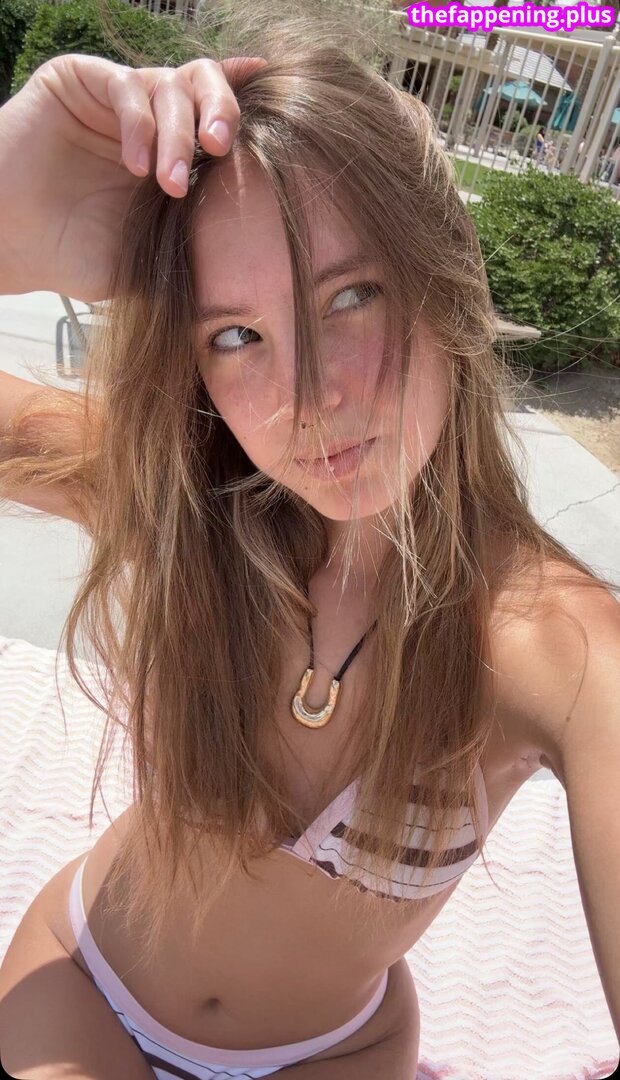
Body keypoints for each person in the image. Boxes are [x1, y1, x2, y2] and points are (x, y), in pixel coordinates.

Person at [1, 1, 619, 1077]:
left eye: (351, 296)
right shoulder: (188, 499)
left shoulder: (551, 645)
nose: (307, 398)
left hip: (339, 1050)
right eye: (237, 334)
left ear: (444, 276)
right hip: (87, 984)